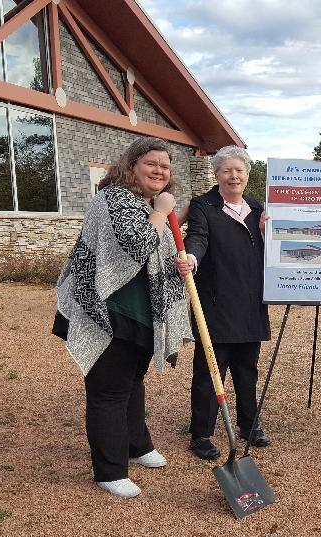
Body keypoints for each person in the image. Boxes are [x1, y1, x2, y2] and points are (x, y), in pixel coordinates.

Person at [54, 137, 193, 499]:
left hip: (142, 313)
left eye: (165, 166)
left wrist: (183, 262)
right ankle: (110, 470)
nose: (159, 171)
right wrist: (161, 212)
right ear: (132, 166)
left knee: (133, 382)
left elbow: (159, 253)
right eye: (151, 164)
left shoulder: (147, 203)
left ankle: (136, 444)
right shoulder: (114, 198)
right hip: (107, 311)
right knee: (109, 391)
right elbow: (137, 244)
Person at [180, 146, 272, 459]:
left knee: (247, 370)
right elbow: (198, 238)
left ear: (247, 174)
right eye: (226, 170)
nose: (234, 176)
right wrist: (192, 258)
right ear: (217, 174)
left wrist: (267, 234)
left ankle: (249, 425)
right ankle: (201, 434)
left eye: (239, 170)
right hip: (216, 303)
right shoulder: (203, 206)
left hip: (250, 302)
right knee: (209, 372)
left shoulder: (257, 208)